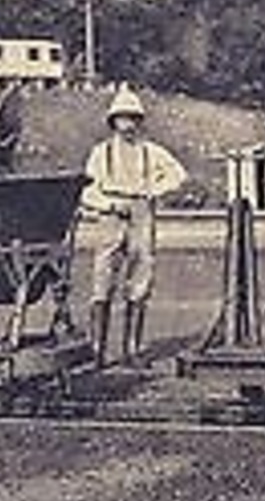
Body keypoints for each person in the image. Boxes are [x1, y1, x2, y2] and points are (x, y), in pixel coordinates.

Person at [80, 88, 188, 371]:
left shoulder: (150, 152)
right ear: (113, 121)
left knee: (141, 276)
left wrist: (154, 190)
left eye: (133, 118)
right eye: (122, 118)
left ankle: (133, 350)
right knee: (103, 278)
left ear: (139, 121)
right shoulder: (101, 153)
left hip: (142, 212)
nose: (128, 124)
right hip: (111, 215)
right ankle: (98, 352)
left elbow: (178, 174)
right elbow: (87, 190)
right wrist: (109, 204)